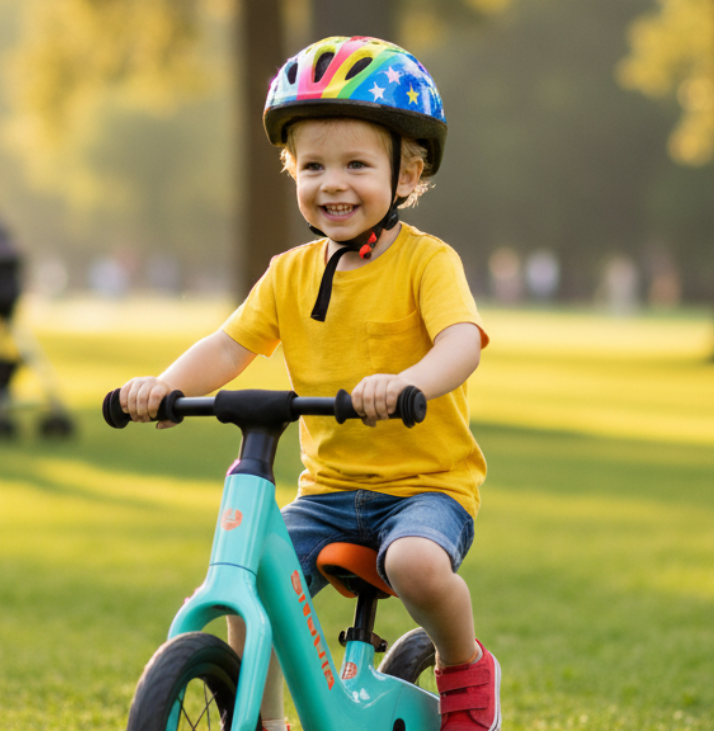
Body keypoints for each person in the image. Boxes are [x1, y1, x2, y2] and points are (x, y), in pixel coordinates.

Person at [119, 37, 499, 731]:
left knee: (415, 564)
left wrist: (408, 381)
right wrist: (163, 388)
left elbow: (461, 343)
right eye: (314, 165)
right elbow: (229, 345)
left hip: (426, 485)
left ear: (407, 173)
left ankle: (465, 670)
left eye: (357, 164)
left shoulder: (426, 263)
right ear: (291, 169)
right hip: (326, 492)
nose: (333, 183)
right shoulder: (288, 271)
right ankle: (262, 720)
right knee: (255, 575)